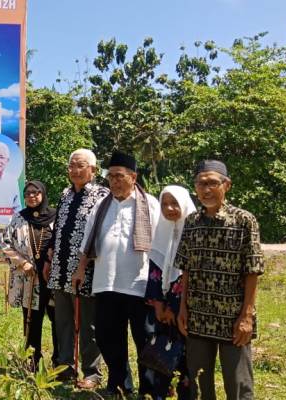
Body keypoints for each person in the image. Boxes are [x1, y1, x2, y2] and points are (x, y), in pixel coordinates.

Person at [176, 160, 263, 400]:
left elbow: (252, 270)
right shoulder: (192, 222)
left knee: (238, 385)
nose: (206, 189)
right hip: (199, 315)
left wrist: (247, 315)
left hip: (233, 318)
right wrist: (183, 308)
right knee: (199, 383)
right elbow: (187, 269)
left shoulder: (244, 221)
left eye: (212, 183)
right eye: (200, 184)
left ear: (227, 185)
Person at [74, 151, 160, 396]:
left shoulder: (150, 204)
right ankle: (120, 383)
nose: (113, 181)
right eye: (110, 176)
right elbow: (86, 244)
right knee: (107, 337)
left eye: (119, 176)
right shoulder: (101, 206)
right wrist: (80, 270)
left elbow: (161, 246)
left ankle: (149, 388)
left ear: (133, 177)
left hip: (139, 285)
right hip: (105, 284)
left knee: (145, 339)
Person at [45, 149, 109, 387]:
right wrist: (51, 254)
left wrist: (85, 265)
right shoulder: (65, 194)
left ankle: (92, 373)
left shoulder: (103, 195)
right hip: (60, 270)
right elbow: (59, 227)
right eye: (71, 165)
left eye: (80, 165)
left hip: (85, 272)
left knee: (87, 325)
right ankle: (65, 368)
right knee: (62, 322)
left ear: (93, 169)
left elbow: (101, 234)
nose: (74, 170)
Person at [142, 185, 196, 399]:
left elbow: (189, 274)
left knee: (187, 356)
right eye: (164, 204)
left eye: (174, 203)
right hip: (163, 308)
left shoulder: (194, 231)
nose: (169, 208)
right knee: (162, 352)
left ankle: (186, 393)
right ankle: (158, 394)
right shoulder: (161, 231)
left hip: (186, 308)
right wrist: (158, 306)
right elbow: (154, 270)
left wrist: (177, 308)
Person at [1, 181, 58, 370]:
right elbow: (6, 244)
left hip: (52, 278)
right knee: (31, 320)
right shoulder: (18, 218)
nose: (31, 196)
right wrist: (22, 262)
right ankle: (33, 361)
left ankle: (60, 361)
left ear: (43, 194)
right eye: (27, 194)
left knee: (58, 321)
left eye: (36, 192)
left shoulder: (55, 217)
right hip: (30, 278)